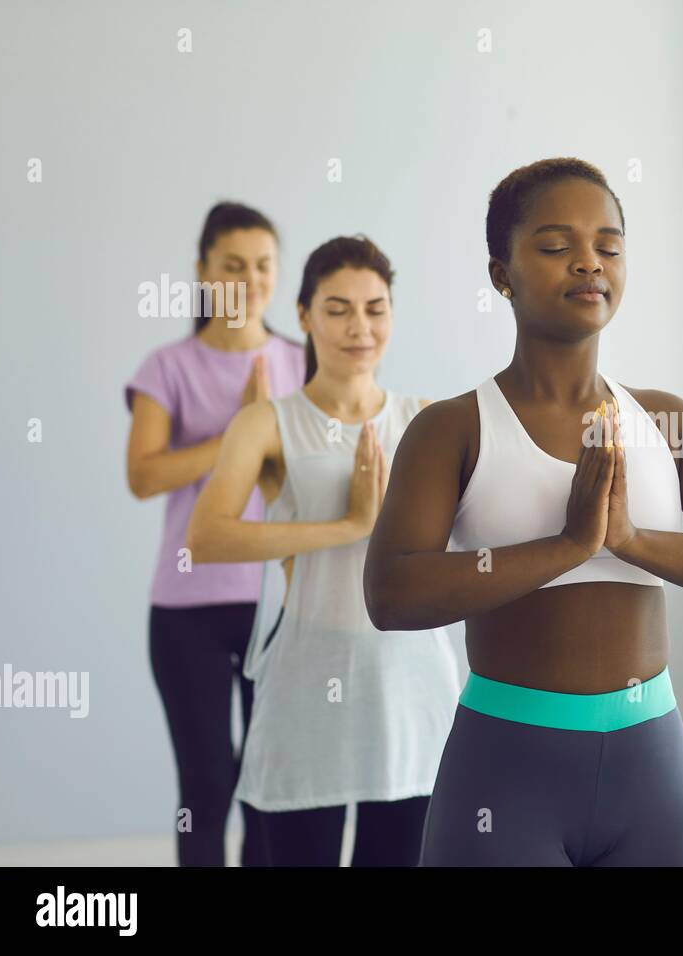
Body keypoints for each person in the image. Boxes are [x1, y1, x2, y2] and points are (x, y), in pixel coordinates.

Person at [364, 158, 683, 866]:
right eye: (556, 247)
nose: (589, 262)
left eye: (608, 246)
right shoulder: (453, 429)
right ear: (502, 273)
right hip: (504, 773)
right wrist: (567, 546)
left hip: (655, 773)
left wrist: (634, 542)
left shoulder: (665, 422)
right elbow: (391, 593)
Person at [186, 235, 460, 866]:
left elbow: (458, 547)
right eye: (337, 309)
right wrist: (350, 524)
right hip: (309, 681)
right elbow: (207, 536)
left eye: (375, 308)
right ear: (304, 315)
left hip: (409, 686)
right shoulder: (266, 422)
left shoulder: (425, 421)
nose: (359, 328)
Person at [124, 201, 304, 866]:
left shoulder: (303, 360)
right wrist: (240, 430)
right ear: (203, 272)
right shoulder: (166, 367)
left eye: (263, 265)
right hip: (186, 609)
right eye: (233, 265)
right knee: (205, 785)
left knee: (269, 788)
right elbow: (143, 475)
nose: (250, 279)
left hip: (282, 604)